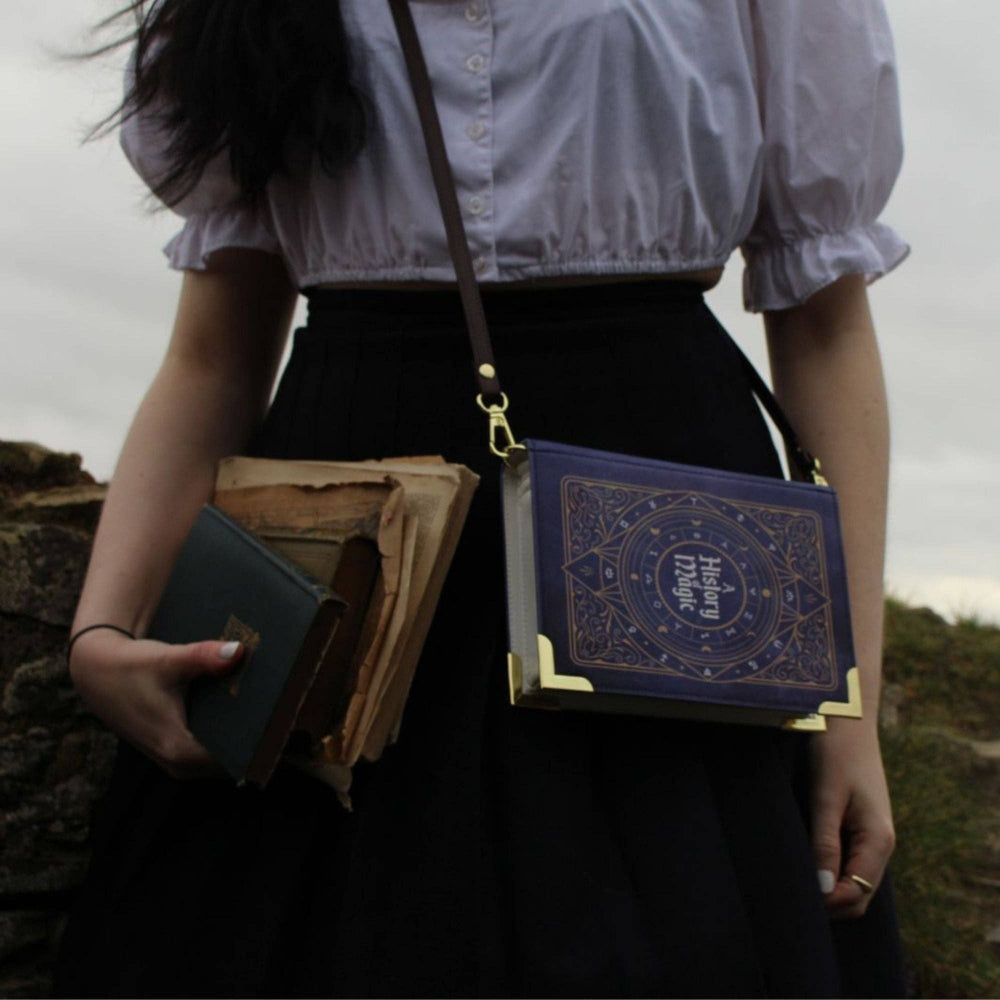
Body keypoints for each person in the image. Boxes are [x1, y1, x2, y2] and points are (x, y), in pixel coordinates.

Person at [55, 1, 910, 996]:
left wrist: (846, 714)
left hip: (662, 539)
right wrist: (101, 631)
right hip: (355, 546)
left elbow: (825, 330)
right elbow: (213, 353)